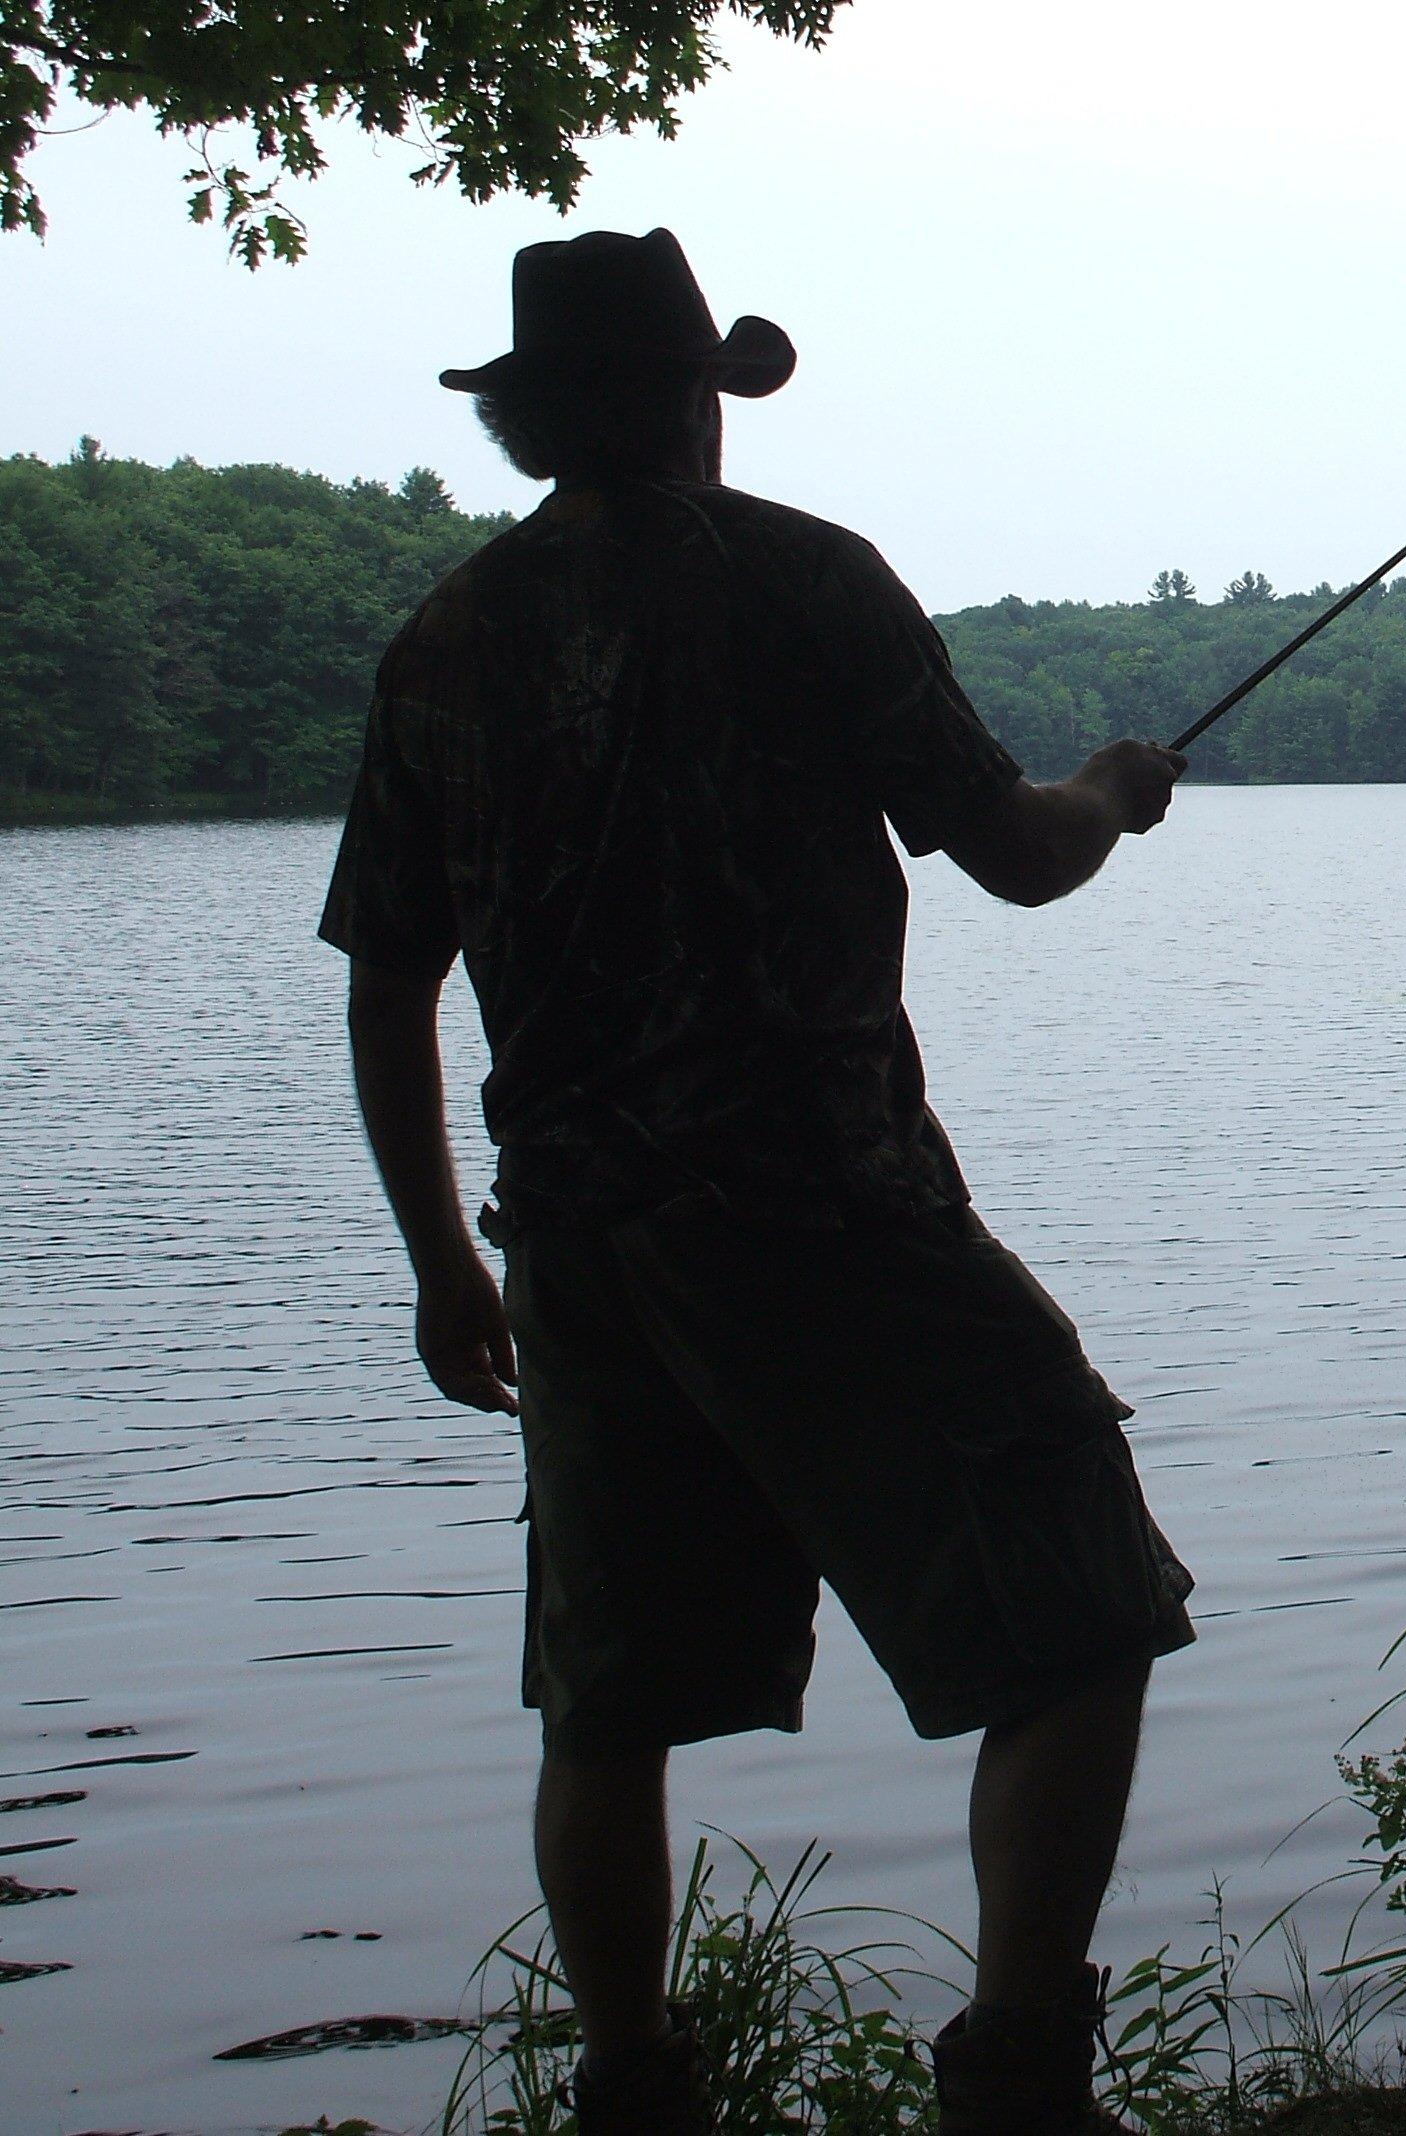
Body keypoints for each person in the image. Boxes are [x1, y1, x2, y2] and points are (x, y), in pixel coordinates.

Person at [320, 228, 1195, 2136]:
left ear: (537, 412)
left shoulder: (446, 644)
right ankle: (1019, 2081)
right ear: (702, 395)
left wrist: (433, 1264)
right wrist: (1111, 797)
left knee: (608, 1701)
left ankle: (634, 2094)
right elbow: (1018, 858)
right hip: (832, 1215)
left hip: (575, 1251)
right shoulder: (810, 582)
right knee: (1082, 1599)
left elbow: (389, 984)